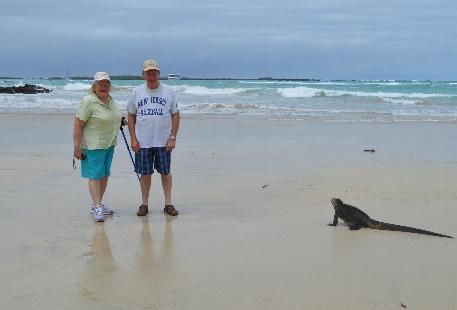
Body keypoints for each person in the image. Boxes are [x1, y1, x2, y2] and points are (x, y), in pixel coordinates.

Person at [127, 59, 180, 216]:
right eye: (148, 73)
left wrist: (173, 137)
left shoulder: (169, 91)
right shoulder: (136, 92)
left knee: (165, 172)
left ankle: (168, 204)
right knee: (145, 174)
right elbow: (130, 116)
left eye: (154, 73)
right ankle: (144, 204)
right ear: (143, 75)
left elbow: (175, 115)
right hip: (143, 142)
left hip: (164, 142)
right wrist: (133, 139)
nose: (151, 76)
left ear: (159, 74)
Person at [73, 72, 122, 222]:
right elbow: (78, 124)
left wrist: (122, 122)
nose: (104, 87)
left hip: (109, 144)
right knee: (94, 176)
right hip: (93, 145)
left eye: (106, 84)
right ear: (94, 86)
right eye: (100, 84)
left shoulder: (111, 101)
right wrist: (77, 147)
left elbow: (113, 118)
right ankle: (97, 206)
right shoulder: (88, 101)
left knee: (104, 175)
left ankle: (97, 205)